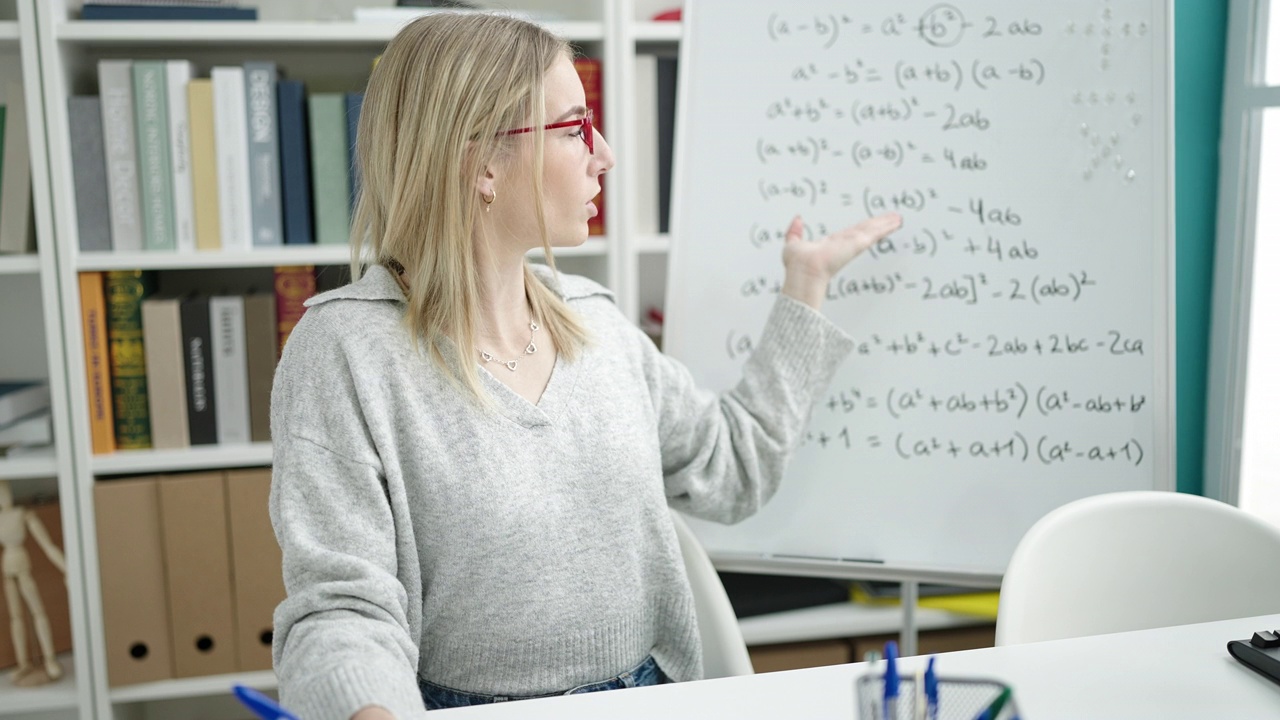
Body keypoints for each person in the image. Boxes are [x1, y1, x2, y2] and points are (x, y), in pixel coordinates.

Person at [269, 12, 902, 720]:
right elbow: (341, 607)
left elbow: (734, 468)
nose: (602, 155)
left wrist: (804, 288)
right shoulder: (344, 353)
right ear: (481, 163)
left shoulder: (596, 322)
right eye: (574, 128)